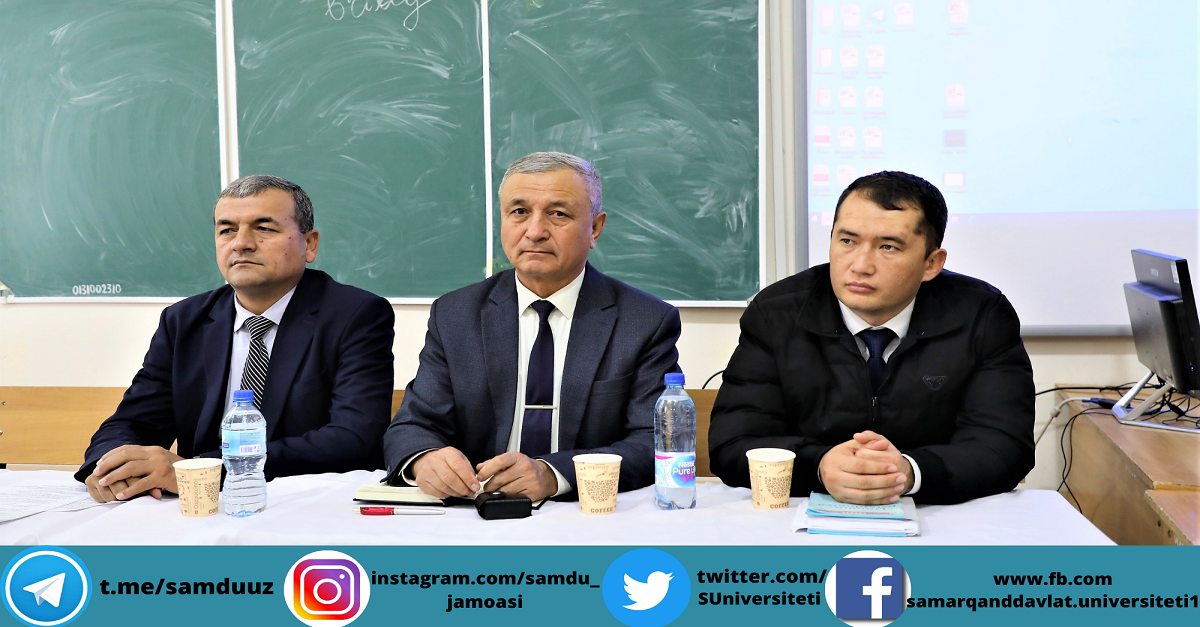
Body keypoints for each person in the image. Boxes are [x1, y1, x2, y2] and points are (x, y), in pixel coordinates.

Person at [709, 171, 1034, 505]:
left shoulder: (981, 315)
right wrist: (818, 466)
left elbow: (1005, 445)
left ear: (931, 263)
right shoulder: (776, 314)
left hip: (939, 515)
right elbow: (732, 444)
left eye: (888, 247)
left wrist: (909, 472)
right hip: (802, 515)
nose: (860, 265)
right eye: (847, 241)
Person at [383, 152, 681, 502]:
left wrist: (554, 474)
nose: (535, 232)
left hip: (585, 513)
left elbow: (654, 440)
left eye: (558, 214)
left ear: (595, 228)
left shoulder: (644, 321)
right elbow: (413, 425)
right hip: (478, 511)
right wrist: (425, 459)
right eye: (519, 212)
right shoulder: (456, 314)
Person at [77, 175, 395, 503]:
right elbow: (130, 423)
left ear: (309, 244)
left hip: (305, 502)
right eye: (227, 230)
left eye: (264, 228)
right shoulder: (184, 320)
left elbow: (354, 439)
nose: (241, 243)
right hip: (200, 506)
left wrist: (203, 469)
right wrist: (109, 468)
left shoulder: (355, 315)